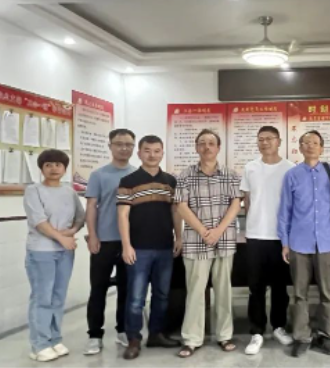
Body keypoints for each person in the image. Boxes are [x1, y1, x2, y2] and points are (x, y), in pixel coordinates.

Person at [174, 129, 242, 358]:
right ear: (196, 147)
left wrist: (218, 231)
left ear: (218, 148)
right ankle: (192, 339)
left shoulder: (230, 175)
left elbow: (236, 204)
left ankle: (224, 335)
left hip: (224, 241)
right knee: (195, 291)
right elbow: (181, 206)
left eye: (211, 143)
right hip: (196, 241)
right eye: (202, 143)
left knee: (224, 290)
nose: (207, 147)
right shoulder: (185, 175)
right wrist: (204, 232)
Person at [278, 130, 330, 358]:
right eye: (306, 143)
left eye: (315, 142)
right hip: (299, 242)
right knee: (299, 293)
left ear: (322, 147)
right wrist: (285, 242)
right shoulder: (292, 175)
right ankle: (302, 337)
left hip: (327, 241)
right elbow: (284, 211)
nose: (311, 146)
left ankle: (326, 336)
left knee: (328, 292)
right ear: (300, 148)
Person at [116, 135, 181, 360]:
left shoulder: (170, 181)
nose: (152, 155)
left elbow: (175, 211)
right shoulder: (129, 180)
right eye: (147, 150)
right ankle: (134, 339)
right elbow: (122, 215)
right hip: (138, 248)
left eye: (156, 151)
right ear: (139, 153)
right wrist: (126, 245)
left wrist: (179, 237)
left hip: (165, 247)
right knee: (136, 298)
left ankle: (156, 334)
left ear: (162, 153)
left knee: (162, 295)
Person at [24, 149, 85, 362]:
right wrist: (62, 238)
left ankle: (54, 339)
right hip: (41, 251)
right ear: (41, 168)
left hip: (65, 252)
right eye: (48, 165)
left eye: (58, 164)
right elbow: (39, 221)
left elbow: (80, 217)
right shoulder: (33, 190)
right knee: (42, 298)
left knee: (58, 297)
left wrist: (72, 231)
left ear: (64, 168)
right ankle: (39, 345)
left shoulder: (69, 192)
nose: (53, 168)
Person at [240, 126, 295, 355]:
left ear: (279, 141)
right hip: (255, 236)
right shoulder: (250, 167)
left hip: (281, 237)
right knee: (256, 287)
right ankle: (257, 331)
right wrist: (252, 223)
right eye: (261, 139)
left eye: (269, 139)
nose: (265, 143)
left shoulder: (290, 168)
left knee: (280, 287)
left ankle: (279, 327)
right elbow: (247, 200)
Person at [83, 129, 137, 356]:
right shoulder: (99, 175)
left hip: (129, 243)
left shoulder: (138, 174)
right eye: (119, 144)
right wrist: (93, 235)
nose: (124, 148)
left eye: (128, 144)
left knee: (127, 289)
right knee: (98, 289)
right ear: (110, 146)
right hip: (103, 241)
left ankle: (122, 330)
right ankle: (94, 335)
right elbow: (91, 207)